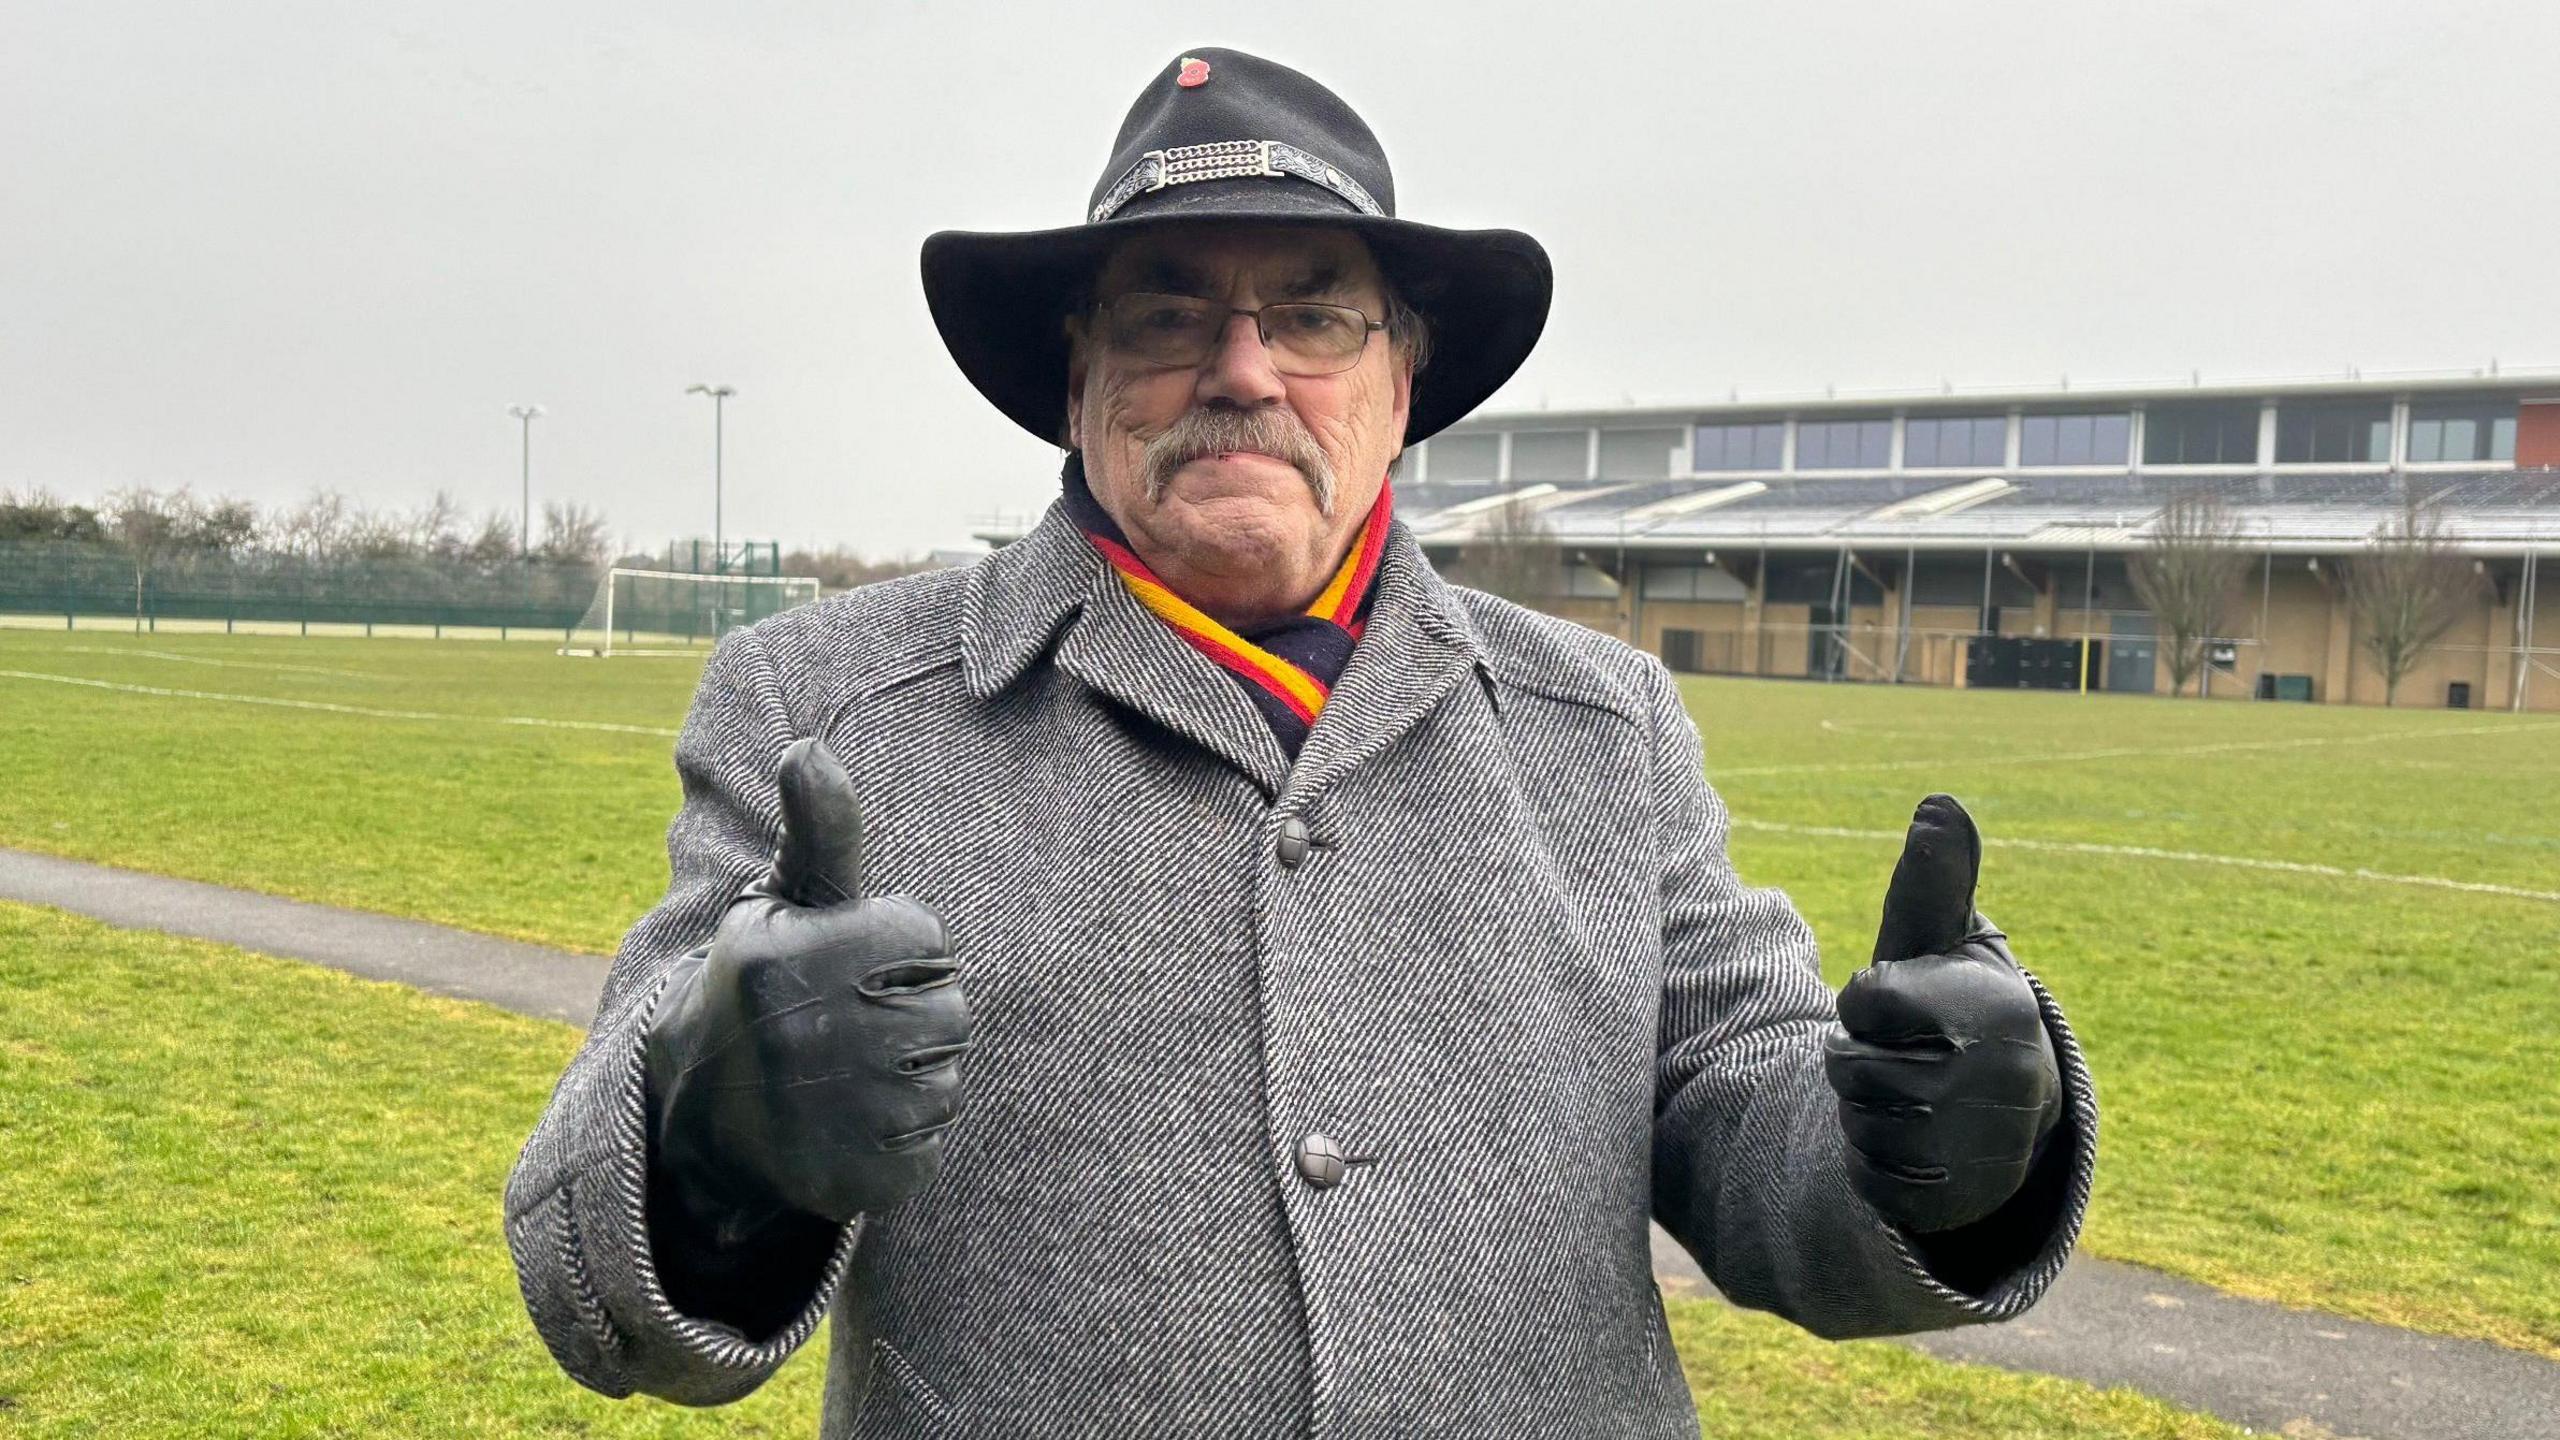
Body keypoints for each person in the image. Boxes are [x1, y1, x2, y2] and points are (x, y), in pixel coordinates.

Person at [505, 46, 2097, 1439]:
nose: (1242, 367)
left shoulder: (1603, 728)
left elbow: (1750, 1117)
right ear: (1081, 377)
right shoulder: (831, 713)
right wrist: (701, 1142)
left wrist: (1942, 1156)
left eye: (1314, 314)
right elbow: (588, 1277)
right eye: (1168, 310)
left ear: (1404, 385)